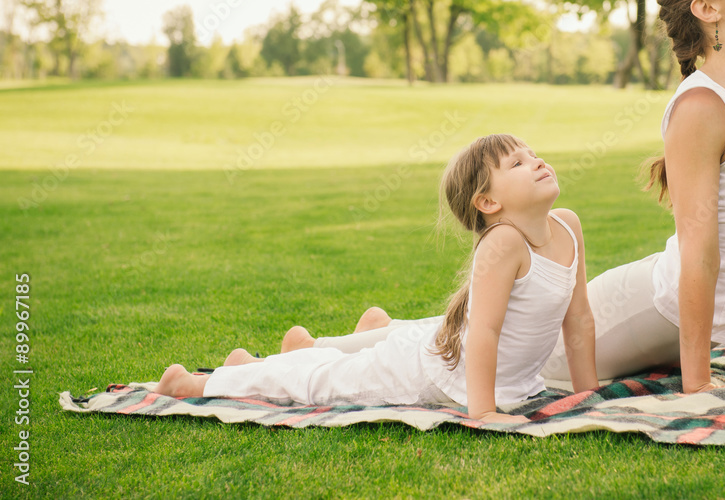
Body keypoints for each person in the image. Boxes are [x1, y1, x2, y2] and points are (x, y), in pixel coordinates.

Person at [279, 0, 725, 393]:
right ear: (707, 9)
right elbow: (699, 250)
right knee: (505, 353)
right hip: (650, 311)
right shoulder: (702, 107)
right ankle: (323, 351)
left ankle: (378, 330)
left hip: (690, 314)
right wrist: (697, 380)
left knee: (494, 335)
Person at [154, 134, 599, 424]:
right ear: (487, 202)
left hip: (512, 384)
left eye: (533, 155)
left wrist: (588, 394)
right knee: (325, 384)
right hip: (433, 377)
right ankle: (200, 383)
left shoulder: (567, 226)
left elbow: (578, 320)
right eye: (518, 164)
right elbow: (484, 332)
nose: (537, 162)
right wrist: (483, 412)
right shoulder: (504, 244)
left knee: (349, 363)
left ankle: (264, 362)